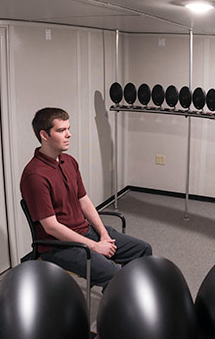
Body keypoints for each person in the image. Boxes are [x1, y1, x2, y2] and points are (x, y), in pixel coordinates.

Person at [20, 107, 152, 289]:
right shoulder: (34, 175)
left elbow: (84, 201)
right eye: (61, 130)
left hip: (85, 232)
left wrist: (103, 235)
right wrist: (94, 246)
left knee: (143, 250)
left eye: (68, 128)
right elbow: (51, 227)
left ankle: (129, 294)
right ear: (44, 135)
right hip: (58, 246)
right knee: (116, 276)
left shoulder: (69, 162)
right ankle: (120, 303)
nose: (69, 134)